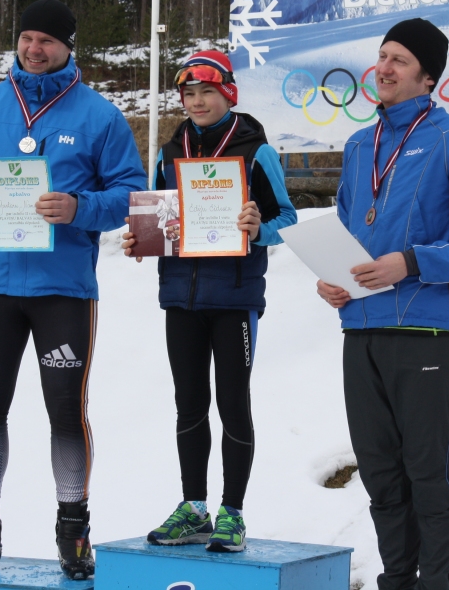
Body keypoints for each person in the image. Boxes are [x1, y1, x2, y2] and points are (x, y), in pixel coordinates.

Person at [0, 0, 147, 580]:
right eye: (25, 37)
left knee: (66, 409)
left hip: (63, 290)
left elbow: (132, 196)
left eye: (45, 39)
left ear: (69, 46)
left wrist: (79, 207)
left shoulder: (100, 116)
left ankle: (74, 532)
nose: (33, 48)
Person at [316, 19, 449, 590]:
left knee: (428, 475)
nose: (384, 68)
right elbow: (353, 236)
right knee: (381, 475)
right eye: (381, 56)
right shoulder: (357, 146)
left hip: (423, 332)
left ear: (428, 76)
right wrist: (334, 281)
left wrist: (412, 262)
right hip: (361, 331)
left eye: (399, 60)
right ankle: (397, 579)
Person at [121, 50, 297, 552]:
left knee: (233, 402)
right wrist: (139, 238)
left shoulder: (254, 148)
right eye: (189, 94)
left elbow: (287, 219)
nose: (197, 102)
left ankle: (233, 513)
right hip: (181, 295)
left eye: (207, 92)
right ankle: (193, 508)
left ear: (228, 94)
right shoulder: (169, 148)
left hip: (235, 297)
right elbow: (158, 216)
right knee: (189, 404)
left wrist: (259, 228)